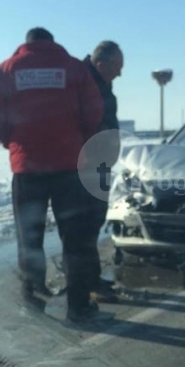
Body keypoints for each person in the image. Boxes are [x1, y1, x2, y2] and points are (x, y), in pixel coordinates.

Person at [0, 27, 107, 324]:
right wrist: (78, 140)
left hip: (28, 170)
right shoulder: (75, 68)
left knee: (29, 237)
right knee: (75, 239)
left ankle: (34, 298)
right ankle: (78, 306)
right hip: (69, 168)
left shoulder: (5, 70)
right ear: (52, 42)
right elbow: (94, 111)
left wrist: (14, 142)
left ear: (26, 44)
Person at [83, 41, 124, 299]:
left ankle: (90, 280)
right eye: (117, 68)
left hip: (98, 165)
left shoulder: (101, 85)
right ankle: (84, 284)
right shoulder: (85, 87)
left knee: (92, 226)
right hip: (86, 166)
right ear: (101, 65)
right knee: (84, 228)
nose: (119, 74)